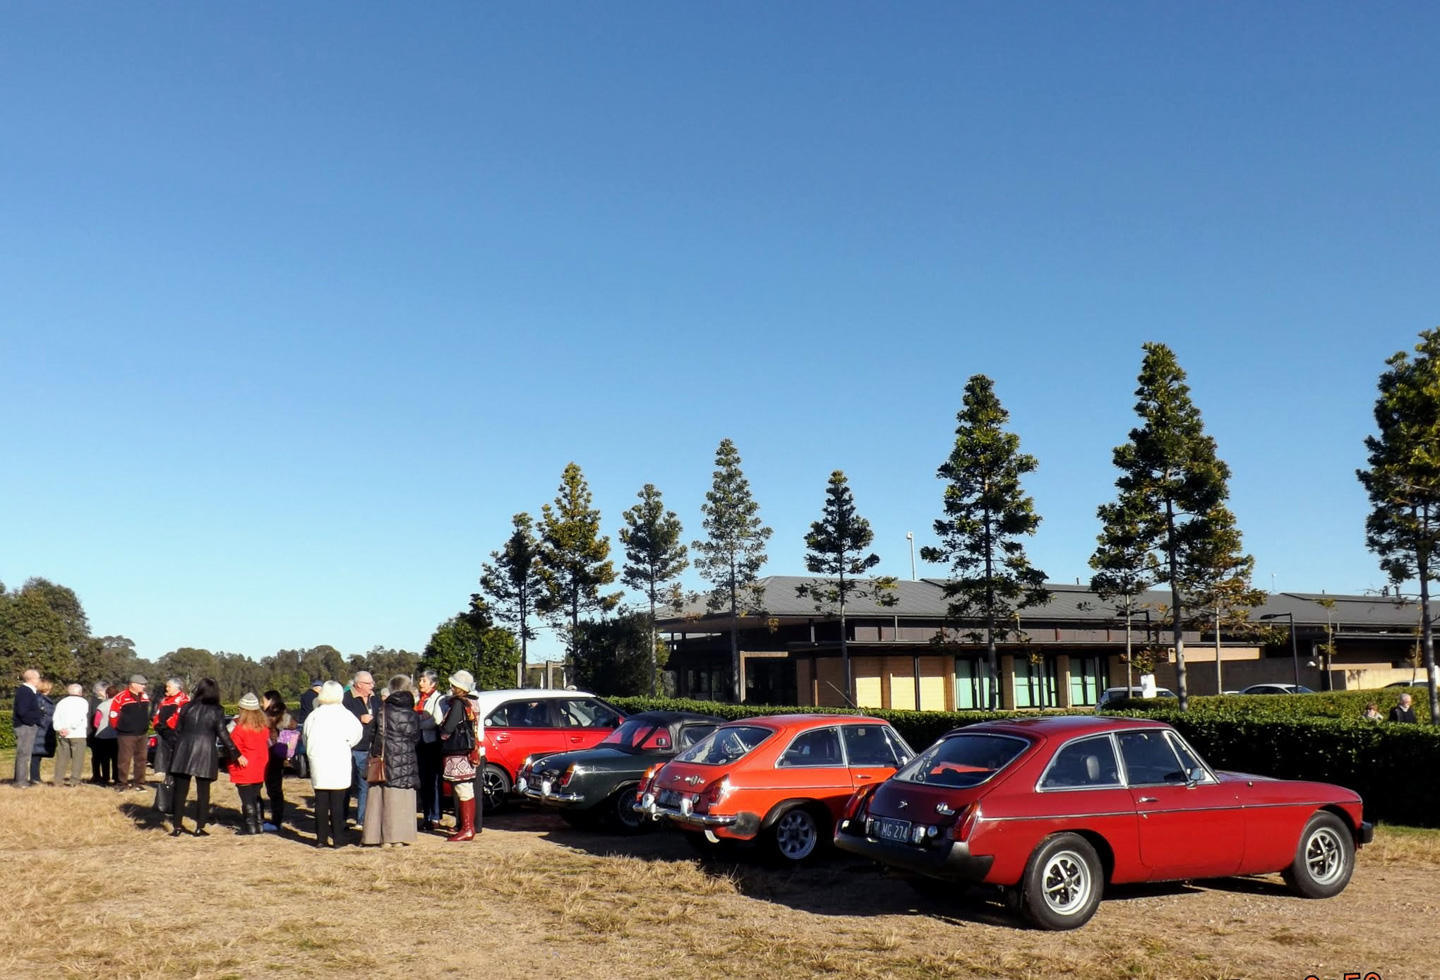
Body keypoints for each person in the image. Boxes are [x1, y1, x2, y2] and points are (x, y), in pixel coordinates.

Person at [167, 678, 239, 837]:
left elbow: (177, 730)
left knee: (179, 791)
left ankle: (177, 826)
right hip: (205, 751)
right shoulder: (217, 710)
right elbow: (222, 733)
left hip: (183, 749)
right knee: (203, 792)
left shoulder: (186, 706)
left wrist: (173, 748)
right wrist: (234, 751)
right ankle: (200, 827)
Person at [361, 675, 421, 847]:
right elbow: (416, 737)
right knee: (402, 798)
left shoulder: (382, 710)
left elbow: (373, 735)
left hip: (385, 759)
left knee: (381, 798)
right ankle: (399, 838)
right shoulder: (412, 713)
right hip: (406, 759)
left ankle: (379, 837)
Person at [303, 680, 363, 848]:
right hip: (338, 760)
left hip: (319, 761)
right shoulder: (345, 715)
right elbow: (356, 735)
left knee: (321, 801)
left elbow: (305, 737)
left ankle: (321, 839)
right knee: (338, 801)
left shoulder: (314, 715)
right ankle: (338, 838)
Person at [439, 670, 482, 842]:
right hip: (471, 749)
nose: (451, 687)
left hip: (458, 752)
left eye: (454, 685)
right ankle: (468, 826)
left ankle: (466, 828)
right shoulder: (474, 702)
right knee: (467, 789)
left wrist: (442, 733)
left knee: (462, 788)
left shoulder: (458, 704)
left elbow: (448, 728)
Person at [227, 693, 270, 836]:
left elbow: (233, 746)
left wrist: (238, 757)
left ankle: (250, 826)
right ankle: (259, 824)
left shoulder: (240, 728)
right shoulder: (263, 727)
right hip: (260, 764)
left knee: (246, 799)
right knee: (256, 796)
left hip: (244, 765)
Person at [343, 672, 380, 828]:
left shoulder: (375, 699)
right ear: (358, 684)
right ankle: (341, 818)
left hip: (370, 747)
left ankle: (362, 819)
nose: (372, 685)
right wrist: (359, 718)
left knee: (365, 784)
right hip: (352, 748)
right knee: (346, 785)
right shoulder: (346, 699)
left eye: (372, 683)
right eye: (368, 683)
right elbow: (341, 718)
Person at [414, 669, 445, 831]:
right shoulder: (418, 700)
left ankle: (435, 816)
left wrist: (418, 724)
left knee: (434, 782)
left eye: (424, 681)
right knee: (423, 782)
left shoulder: (438, 699)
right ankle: (426, 815)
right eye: (420, 680)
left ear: (433, 683)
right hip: (419, 744)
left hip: (432, 745)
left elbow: (435, 721)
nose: (421, 684)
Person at [109, 674, 152, 792]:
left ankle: (138, 783)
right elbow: (113, 715)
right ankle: (122, 783)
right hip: (126, 734)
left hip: (142, 733)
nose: (144, 687)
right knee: (124, 760)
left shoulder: (144, 696)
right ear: (133, 684)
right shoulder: (121, 697)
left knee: (141, 759)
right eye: (141, 684)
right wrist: (119, 727)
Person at [262, 690, 296, 831]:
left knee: (270, 788)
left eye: (263, 700)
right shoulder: (285, 716)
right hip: (279, 754)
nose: (261, 703)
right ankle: (277, 820)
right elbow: (294, 725)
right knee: (276, 789)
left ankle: (269, 821)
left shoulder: (263, 717)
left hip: (267, 753)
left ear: (270, 701)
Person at [52, 683, 90, 787]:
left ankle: (58, 780)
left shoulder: (61, 702)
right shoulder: (83, 702)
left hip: (63, 734)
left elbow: (56, 718)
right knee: (78, 759)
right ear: (80, 692)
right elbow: (80, 718)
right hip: (77, 733)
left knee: (62, 759)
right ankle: (74, 781)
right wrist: (70, 728)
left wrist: (60, 729)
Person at [11, 668, 43, 788]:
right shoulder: (25, 691)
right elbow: (22, 711)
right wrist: (32, 722)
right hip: (25, 727)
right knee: (24, 754)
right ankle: (21, 781)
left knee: (24, 754)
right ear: (32, 679)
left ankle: (20, 779)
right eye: (38, 678)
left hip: (26, 725)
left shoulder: (28, 691)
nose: (39, 680)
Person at [151, 678, 189, 776]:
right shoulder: (165, 699)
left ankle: (175, 771)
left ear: (176, 687)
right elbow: (158, 712)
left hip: (173, 730)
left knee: (174, 752)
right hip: (162, 730)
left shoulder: (183, 698)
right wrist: (156, 723)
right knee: (163, 750)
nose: (166, 689)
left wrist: (169, 724)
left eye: (169, 687)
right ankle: (163, 769)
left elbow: (179, 714)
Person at [29, 678, 57, 784]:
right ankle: (35, 777)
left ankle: (36, 777)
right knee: (36, 755)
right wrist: (44, 725)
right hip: (41, 729)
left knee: (37, 755)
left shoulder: (42, 699)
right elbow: (42, 715)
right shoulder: (41, 700)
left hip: (42, 729)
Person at [91, 683, 118, 786]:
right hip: (116, 735)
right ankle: (116, 777)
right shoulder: (120, 706)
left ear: (107, 694)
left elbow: (96, 722)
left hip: (103, 736)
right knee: (115, 759)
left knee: (104, 759)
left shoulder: (102, 705)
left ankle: (105, 777)